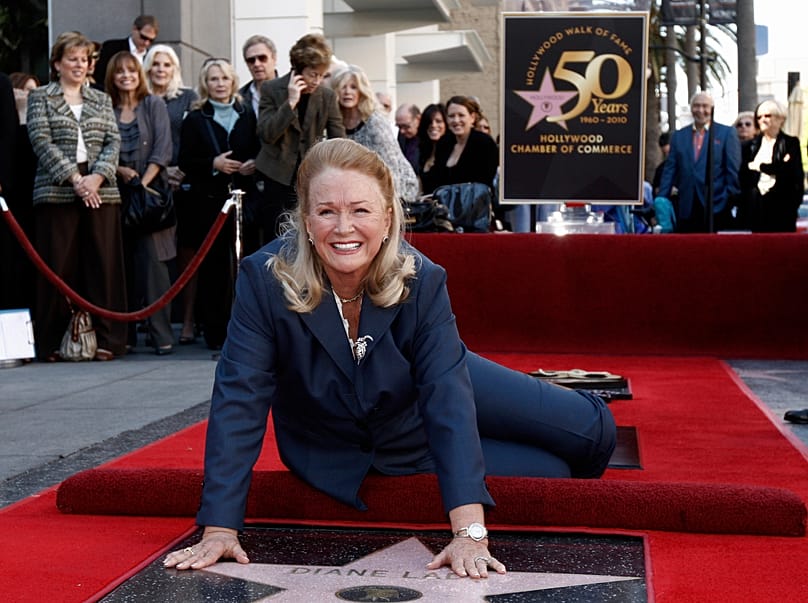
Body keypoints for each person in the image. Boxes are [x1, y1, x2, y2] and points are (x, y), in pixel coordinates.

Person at [163, 138, 616, 574]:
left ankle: (580, 409)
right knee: (553, 470)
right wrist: (219, 527)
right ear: (304, 219)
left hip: (435, 383)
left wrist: (470, 534)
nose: (343, 228)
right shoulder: (264, 281)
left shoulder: (423, 278)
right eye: (326, 212)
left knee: (587, 433)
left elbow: (446, 398)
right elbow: (238, 399)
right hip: (359, 446)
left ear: (387, 218)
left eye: (360, 210)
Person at [26, 31, 127, 361]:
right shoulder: (41, 97)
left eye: (84, 60)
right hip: (57, 190)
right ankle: (53, 341)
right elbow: (41, 141)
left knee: (103, 265)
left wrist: (96, 178)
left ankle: (107, 340)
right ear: (57, 64)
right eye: (72, 59)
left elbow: (113, 140)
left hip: (102, 189)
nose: (79, 65)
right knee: (57, 266)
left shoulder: (101, 98)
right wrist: (75, 179)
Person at [178, 58, 259, 350]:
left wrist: (253, 164)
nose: (220, 83)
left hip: (243, 201)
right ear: (205, 84)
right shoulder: (196, 118)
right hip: (209, 204)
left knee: (244, 266)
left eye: (224, 78)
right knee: (213, 271)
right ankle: (216, 333)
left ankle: (247, 331)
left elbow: (259, 150)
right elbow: (185, 160)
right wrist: (213, 164)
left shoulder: (247, 113)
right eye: (213, 79)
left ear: (233, 81)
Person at [107, 51, 174, 355]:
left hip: (147, 197)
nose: (126, 76)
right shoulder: (105, 106)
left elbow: (162, 150)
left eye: (131, 71)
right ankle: (125, 336)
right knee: (119, 265)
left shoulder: (153, 104)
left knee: (153, 267)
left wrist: (141, 184)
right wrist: (120, 172)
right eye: (119, 71)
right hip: (112, 193)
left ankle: (161, 335)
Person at [253, 32, 345, 244]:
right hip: (275, 178)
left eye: (322, 75)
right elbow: (267, 134)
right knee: (274, 238)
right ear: (298, 69)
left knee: (307, 237)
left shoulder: (327, 96)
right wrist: (290, 103)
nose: (317, 80)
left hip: (310, 178)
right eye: (313, 74)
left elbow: (339, 139)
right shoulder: (271, 88)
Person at [144, 44, 200, 345]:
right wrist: (163, 172)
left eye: (166, 64)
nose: (161, 69)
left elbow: (195, 139)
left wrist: (182, 171)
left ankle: (189, 321)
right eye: (155, 64)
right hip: (154, 187)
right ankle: (156, 322)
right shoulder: (141, 99)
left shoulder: (188, 97)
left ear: (174, 68)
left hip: (186, 184)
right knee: (157, 259)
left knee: (188, 256)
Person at [331, 64, 418, 203]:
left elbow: (392, 169)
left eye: (353, 87)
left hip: (398, 190)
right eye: (343, 87)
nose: (347, 92)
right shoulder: (335, 122)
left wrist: (389, 204)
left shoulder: (375, 122)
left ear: (361, 91)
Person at [657, 91, 741, 233]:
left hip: (717, 203)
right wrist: (661, 199)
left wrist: (730, 196)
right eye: (696, 106)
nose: (701, 110)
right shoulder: (679, 136)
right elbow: (670, 169)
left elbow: (732, 168)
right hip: (687, 204)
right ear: (691, 108)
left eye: (705, 106)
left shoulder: (726, 133)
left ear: (712, 108)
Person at [737, 99, 805, 232]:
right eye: (759, 117)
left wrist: (760, 166)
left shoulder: (790, 143)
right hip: (754, 209)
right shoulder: (749, 146)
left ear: (780, 119)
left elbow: (792, 174)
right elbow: (743, 176)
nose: (762, 120)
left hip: (782, 209)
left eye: (767, 116)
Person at [426, 95, 499, 194]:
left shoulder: (484, 143)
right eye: (451, 116)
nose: (456, 120)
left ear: (472, 118)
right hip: (444, 206)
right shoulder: (444, 143)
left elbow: (485, 181)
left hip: (475, 205)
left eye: (461, 115)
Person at [93, 15, 159, 89]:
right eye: (143, 37)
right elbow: (99, 76)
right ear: (134, 29)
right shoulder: (111, 47)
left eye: (151, 40)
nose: (146, 43)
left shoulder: (151, 55)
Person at [238, 34, 278, 120]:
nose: (256, 64)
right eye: (251, 60)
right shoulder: (239, 98)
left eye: (262, 58)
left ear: (274, 58)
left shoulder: (290, 91)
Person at [415, 103, 447, 195]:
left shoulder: (450, 153)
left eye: (439, 121)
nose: (433, 125)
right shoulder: (423, 153)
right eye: (429, 121)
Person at [395, 103, 420, 173]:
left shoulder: (428, 137)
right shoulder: (401, 136)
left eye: (406, 126)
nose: (402, 131)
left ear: (418, 119)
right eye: (399, 126)